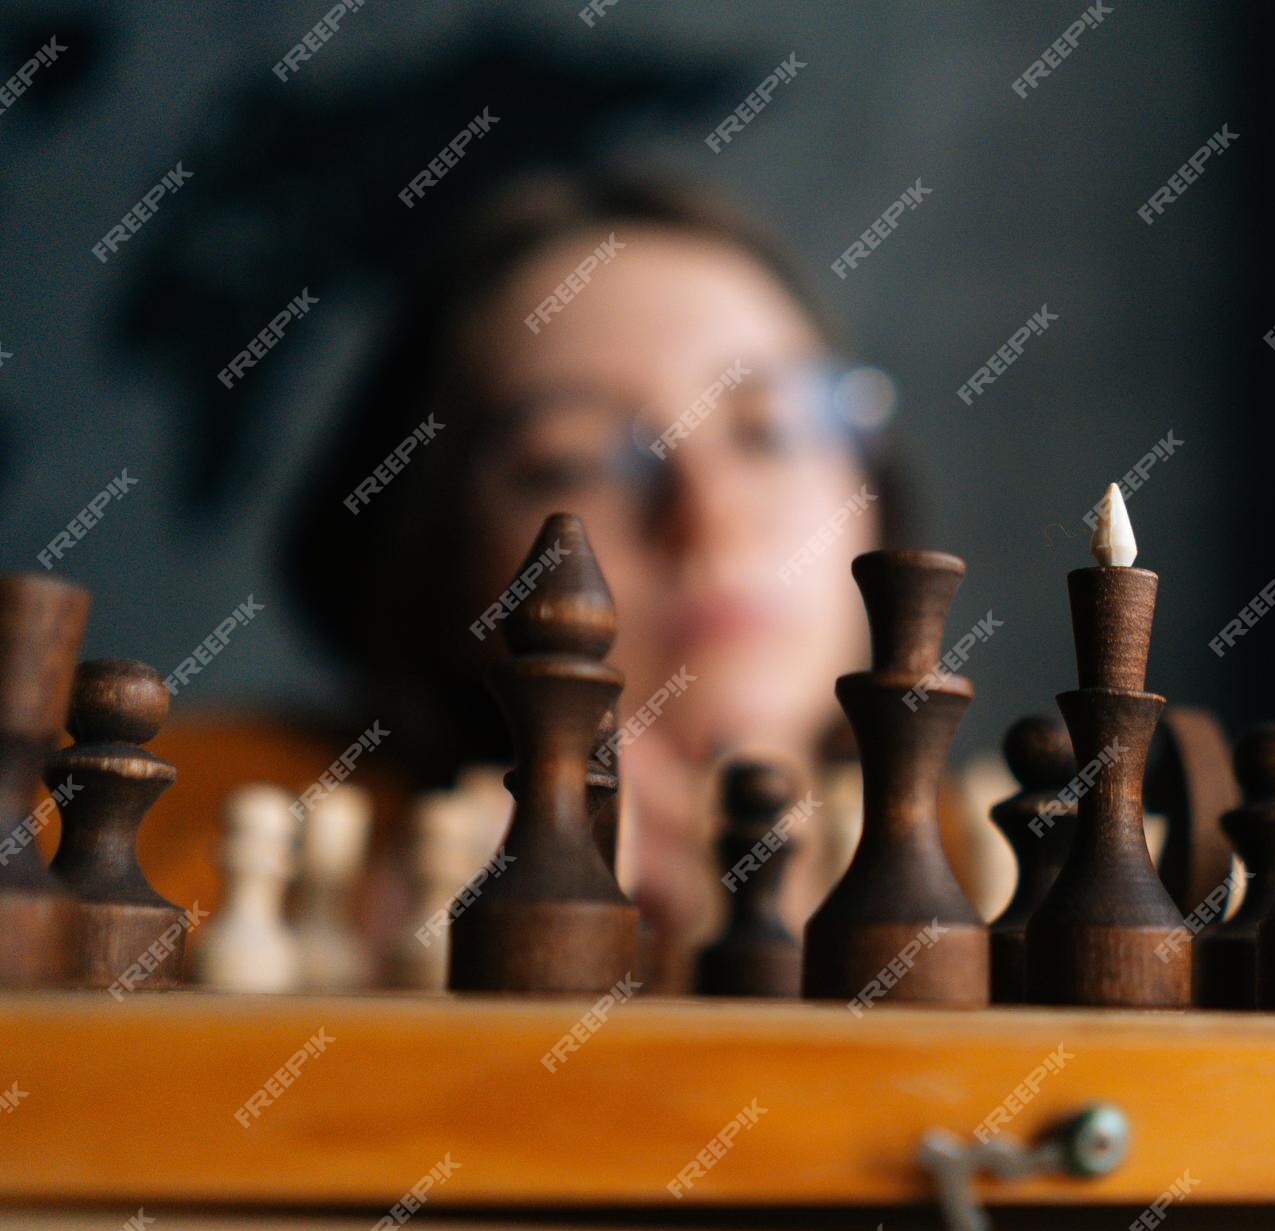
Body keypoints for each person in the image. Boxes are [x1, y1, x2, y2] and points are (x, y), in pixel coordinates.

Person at [154, 172, 903, 986]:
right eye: (573, 461)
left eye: (773, 429)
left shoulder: (1010, 868)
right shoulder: (195, 836)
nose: (708, 517)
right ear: (437, 567)